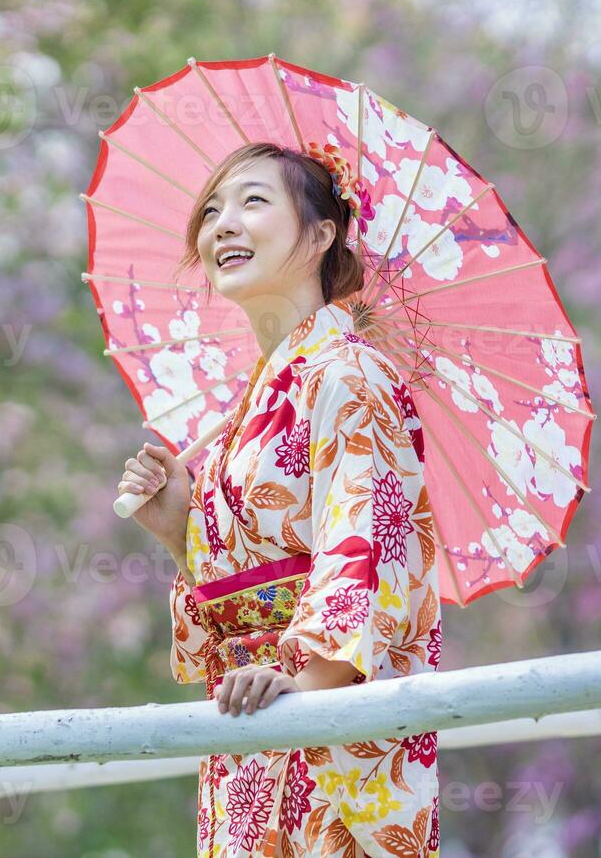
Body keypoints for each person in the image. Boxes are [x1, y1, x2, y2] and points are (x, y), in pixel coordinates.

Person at [118, 141, 442, 857]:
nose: (222, 226)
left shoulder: (348, 375)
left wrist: (305, 683)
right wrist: (178, 532)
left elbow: (373, 546)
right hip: (253, 723)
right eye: (212, 210)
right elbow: (243, 598)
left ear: (322, 234)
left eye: (253, 202)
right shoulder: (251, 404)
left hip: (319, 723)